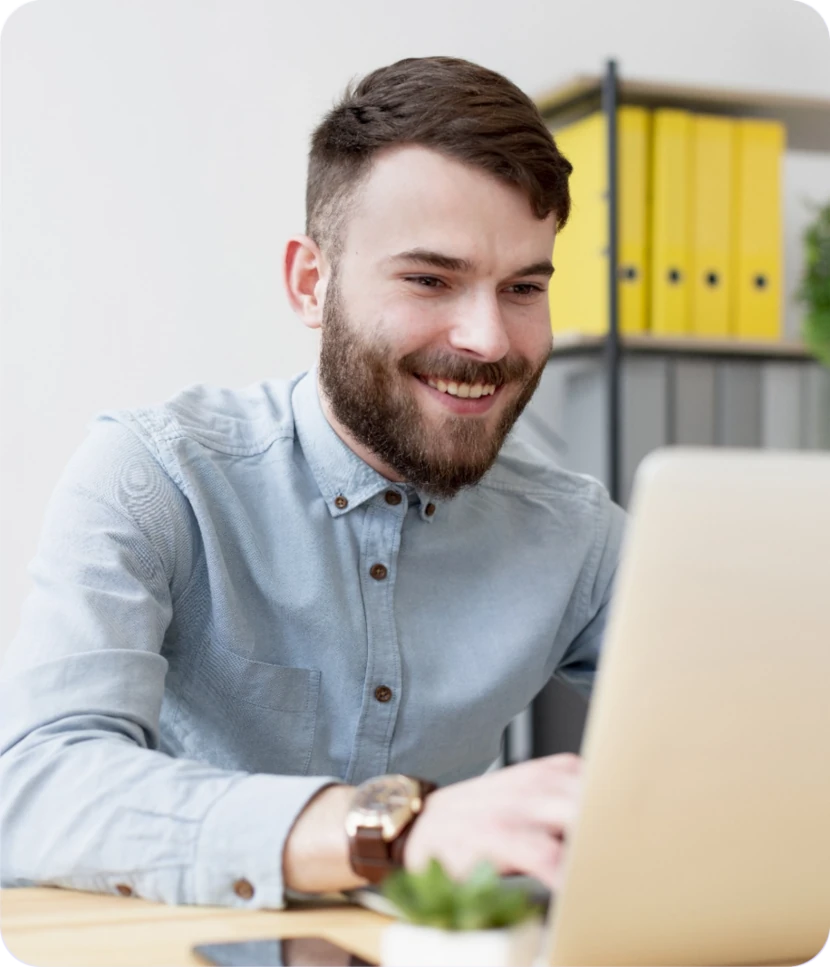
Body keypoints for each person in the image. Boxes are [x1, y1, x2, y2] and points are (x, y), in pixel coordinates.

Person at [0, 55, 624, 909]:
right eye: (430, 279)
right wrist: (386, 831)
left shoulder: (579, 534)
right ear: (310, 283)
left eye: (522, 287)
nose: (487, 336)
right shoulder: (154, 477)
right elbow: (34, 789)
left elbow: (752, 738)